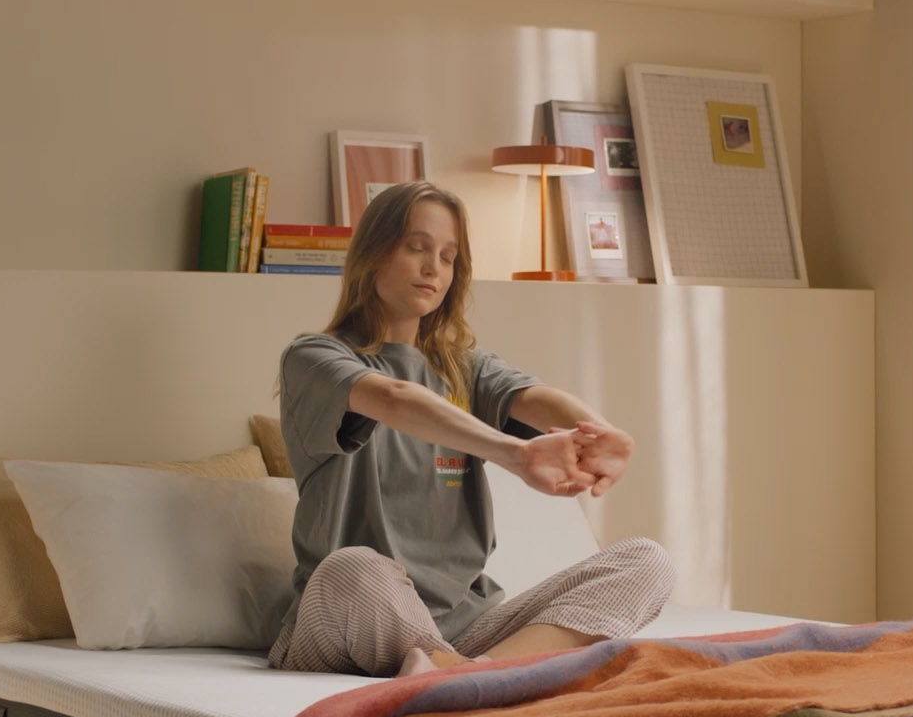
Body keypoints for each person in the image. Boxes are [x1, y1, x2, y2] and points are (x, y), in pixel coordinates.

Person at [269, 181, 674, 677]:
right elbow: (394, 398)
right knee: (353, 567)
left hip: (466, 627)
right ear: (372, 254)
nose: (432, 267)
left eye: (448, 255)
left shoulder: (465, 368)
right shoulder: (314, 359)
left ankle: (463, 674)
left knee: (646, 561)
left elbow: (532, 397)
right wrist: (513, 454)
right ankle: (466, 676)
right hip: (347, 618)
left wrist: (601, 434)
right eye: (416, 247)